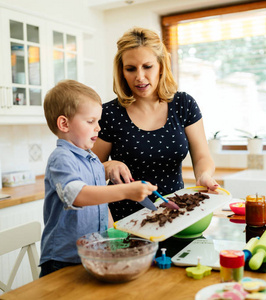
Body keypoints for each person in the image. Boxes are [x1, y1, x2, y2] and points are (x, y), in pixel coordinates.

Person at [92, 27, 218, 221]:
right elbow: (88, 170)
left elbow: (202, 157)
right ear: (121, 71)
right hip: (124, 221)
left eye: (147, 66)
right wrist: (107, 166)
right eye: (131, 68)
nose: (139, 77)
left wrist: (204, 176)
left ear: (161, 66)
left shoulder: (183, 104)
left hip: (176, 215)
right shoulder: (109, 113)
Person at [39, 79, 156, 277]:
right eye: (91, 121)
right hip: (63, 260)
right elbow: (77, 195)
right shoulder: (61, 158)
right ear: (64, 123)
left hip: (93, 254)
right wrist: (126, 191)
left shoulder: (92, 159)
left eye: (98, 122)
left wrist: (115, 237)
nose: (98, 128)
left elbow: (101, 205)